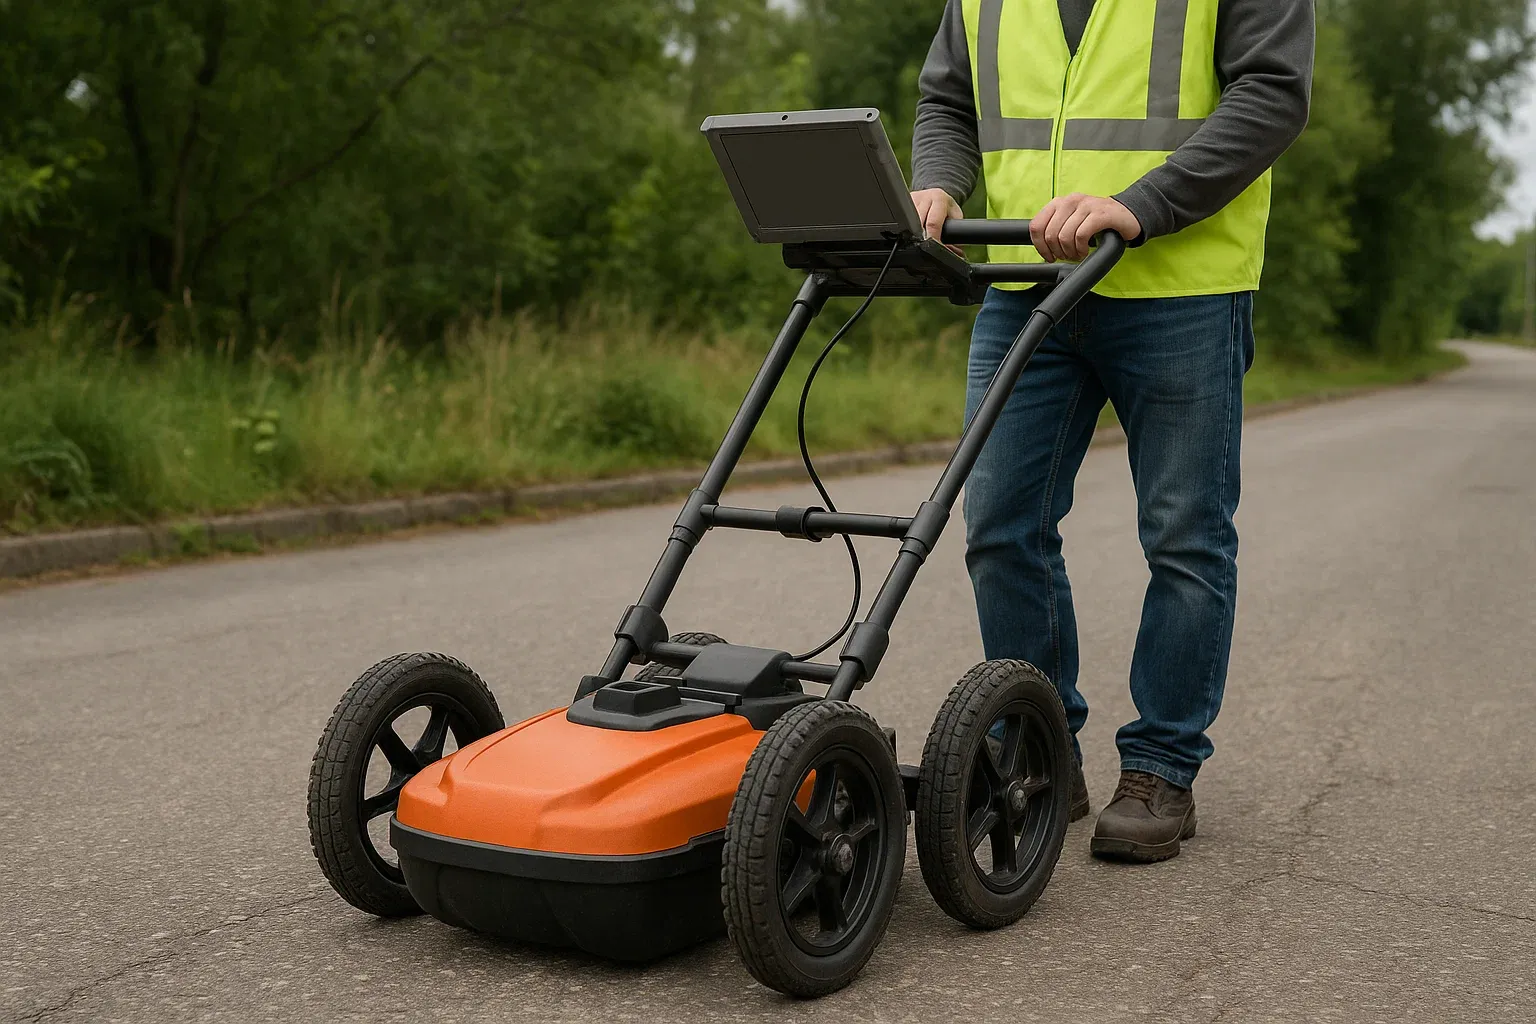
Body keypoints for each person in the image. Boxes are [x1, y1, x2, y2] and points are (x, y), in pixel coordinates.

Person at [911, 0, 1314, 862]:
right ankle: (1042, 752)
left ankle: (1162, 766)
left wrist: (1143, 202)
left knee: (1184, 536)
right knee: (999, 526)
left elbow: (1273, 94)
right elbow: (948, 98)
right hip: (1025, 284)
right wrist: (940, 180)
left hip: (1183, 288)